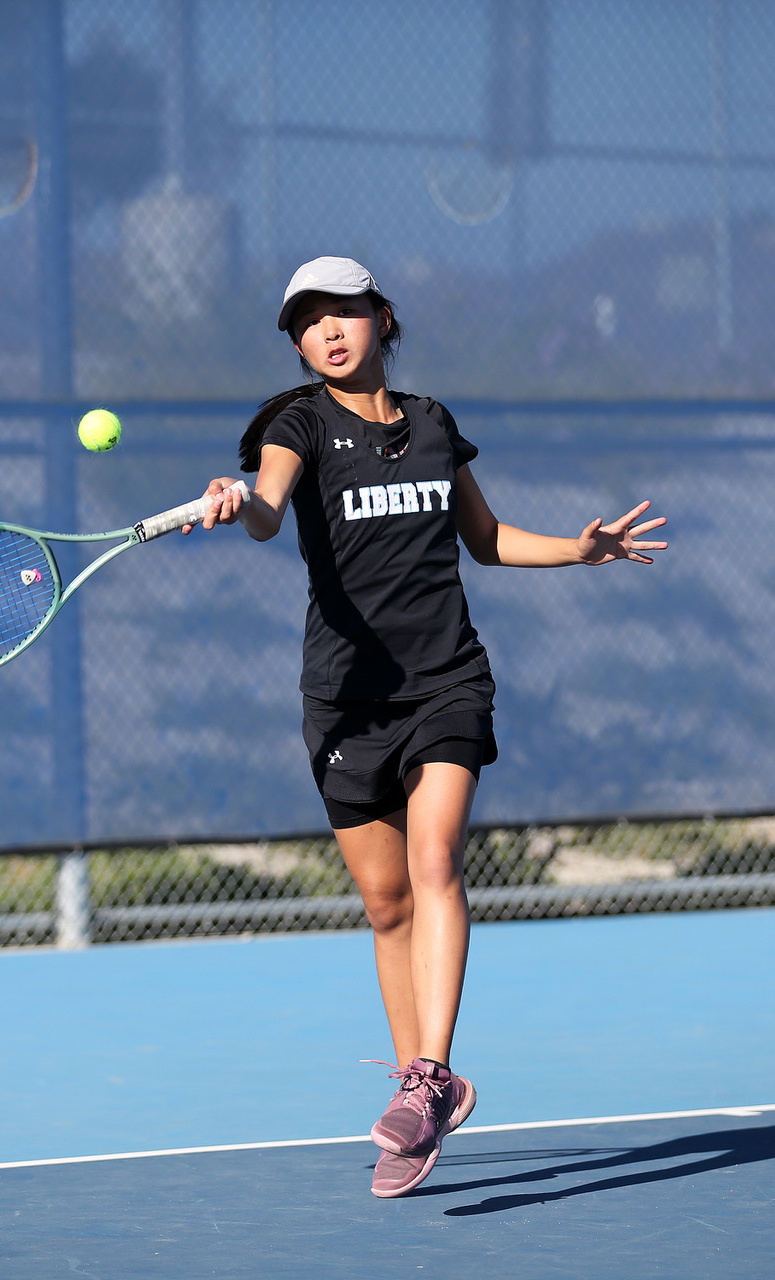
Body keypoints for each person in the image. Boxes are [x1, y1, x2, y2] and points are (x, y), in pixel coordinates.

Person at [185, 256, 668, 1199]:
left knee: (434, 860)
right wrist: (238, 499)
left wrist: (577, 548)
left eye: (344, 312)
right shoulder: (296, 425)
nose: (328, 330)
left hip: (445, 680)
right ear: (296, 342)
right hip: (342, 701)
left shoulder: (435, 424)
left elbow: (482, 541)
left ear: (381, 317)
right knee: (386, 908)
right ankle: (425, 1091)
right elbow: (267, 509)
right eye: (308, 320)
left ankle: (425, 1077)